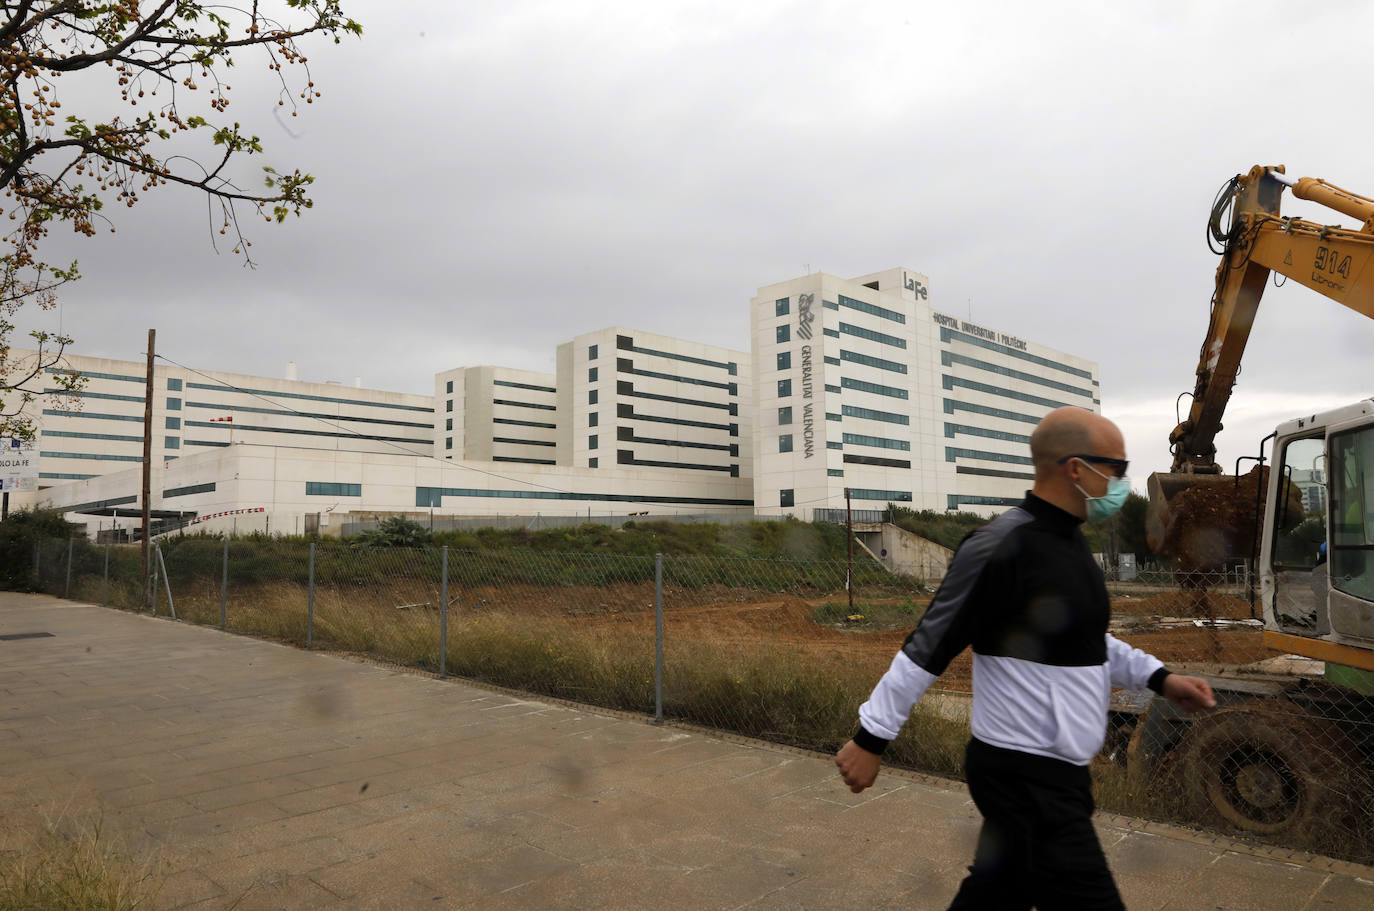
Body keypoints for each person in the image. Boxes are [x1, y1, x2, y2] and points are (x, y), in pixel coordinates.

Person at [835, 406, 1216, 910]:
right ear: (1076, 468)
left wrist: (1160, 679)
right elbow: (931, 643)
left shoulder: (1072, 545)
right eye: (1117, 468)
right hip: (1022, 774)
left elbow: (1084, 641)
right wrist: (871, 738)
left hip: (1060, 772)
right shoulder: (1000, 545)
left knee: (1001, 889)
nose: (1123, 482)